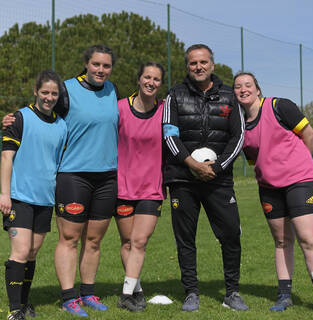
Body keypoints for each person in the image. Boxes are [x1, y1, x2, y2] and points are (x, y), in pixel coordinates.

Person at [2, 44, 119, 317]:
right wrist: (12, 118)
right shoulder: (65, 90)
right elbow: (41, 112)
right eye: (96, 64)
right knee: (69, 238)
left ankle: (87, 292)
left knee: (94, 240)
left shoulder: (113, 90)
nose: (101, 70)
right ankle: (67, 297)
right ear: (86, 64)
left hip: (106, 177)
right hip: (73, 176)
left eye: (106, 65)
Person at [162, 44, 248, 312]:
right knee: (185, 237)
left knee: (231, 235)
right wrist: (191, 164)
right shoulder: (173, 95)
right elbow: (169, 135)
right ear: (187, 66)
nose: (198, 67)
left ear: (212, 64)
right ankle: (191, 292)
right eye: (192, 63)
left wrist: (218, 166)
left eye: (203, 62)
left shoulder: (229, 96)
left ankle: (232, 292)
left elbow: (239, 136)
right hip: (182, 179)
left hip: (218, 179)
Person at [233, 72, 313, 313]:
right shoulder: (240, 127)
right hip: (269, 188)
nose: (243, 90)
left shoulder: (279, 106)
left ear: (257, 90)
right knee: (282, 241)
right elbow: (254, 160)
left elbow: (309, 133)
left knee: (309, 240)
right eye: (238, 87)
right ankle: (284, 295)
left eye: (248, 85)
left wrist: (304, 162)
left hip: (300, 182)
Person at [0, 70, 67, 320]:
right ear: (35, 92)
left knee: (32, 253)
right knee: (19, 251)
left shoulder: (61, 125)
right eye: (45, 92)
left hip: (45, 199)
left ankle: (25, 303)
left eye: (53, 93)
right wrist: (4, 194)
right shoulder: (20, 118)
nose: (49, 97)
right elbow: (7, 157)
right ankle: (14, 310)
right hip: (19, 196)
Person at [115, 62, 165, 312]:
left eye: (156, 79)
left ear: (160, 84)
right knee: (127, 242)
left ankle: (125, 295)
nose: (151, 82)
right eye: (147, 77)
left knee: (139, 240)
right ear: (139, 79)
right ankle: (137, 291)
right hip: (123, 188)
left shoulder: (166, 111)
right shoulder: (120, 108)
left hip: (151, 189)